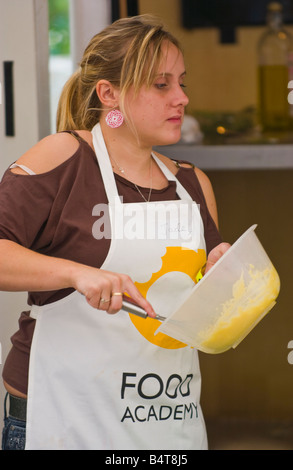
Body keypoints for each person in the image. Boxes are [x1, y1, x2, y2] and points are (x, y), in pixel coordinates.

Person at [0, 14, 230, 450]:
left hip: (166, 418)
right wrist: (76, 274)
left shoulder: (193, 184)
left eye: (182, 83)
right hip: (64, 416)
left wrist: (226, 275)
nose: (181, 97)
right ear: (109, 94)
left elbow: (202, 309)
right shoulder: (64, 158)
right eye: (161, 85)